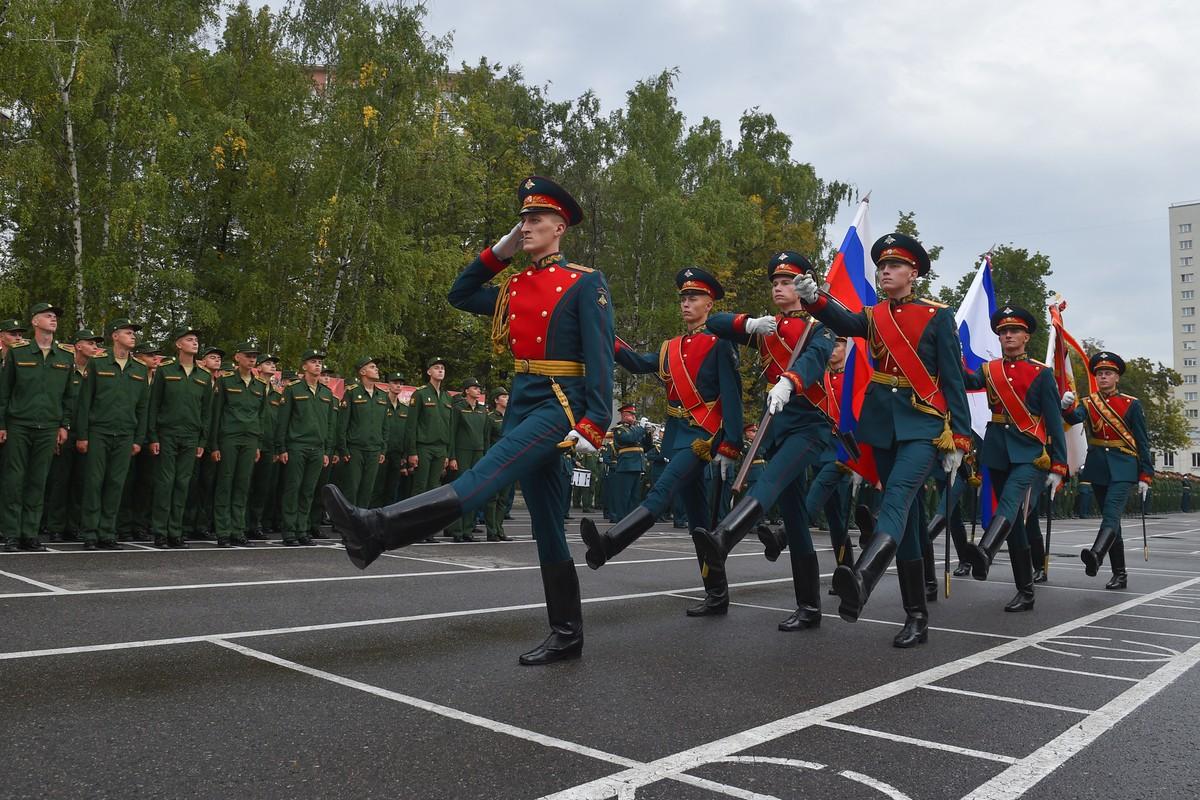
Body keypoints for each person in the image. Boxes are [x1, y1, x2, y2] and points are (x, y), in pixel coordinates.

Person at [325, 175, 614, 665]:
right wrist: (495, 254)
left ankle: (378, 530)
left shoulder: (585, 282)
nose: (526, 227)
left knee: (482, 479)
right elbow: (460, 294)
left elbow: (601, 356)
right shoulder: (517, 283)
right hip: (524, 401)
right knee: (546, 524)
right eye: (522, 219)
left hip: (559, 406)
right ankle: (567, 634)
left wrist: (594, 423)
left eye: (536, 219)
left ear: (560, 227)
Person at [793, 233, 972, 647]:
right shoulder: (874, 315)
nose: (884, 271)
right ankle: (916, 615)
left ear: (913, 273)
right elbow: (844, 321)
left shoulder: (937, 316)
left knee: (894, 500)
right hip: (882, 424)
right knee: (906, 520)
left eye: (894, 266)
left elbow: (953, 379)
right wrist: (815, 298)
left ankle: (862, 577)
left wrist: (960, 437)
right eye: (882, 266)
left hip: (923, 425)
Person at [581, 266, 774, 616]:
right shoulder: (671, 347)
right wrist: (601, 334)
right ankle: (716, 595)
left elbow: (732, 396)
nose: (687, 303)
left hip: (702, 439)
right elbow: (638, 363)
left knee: (660, 493)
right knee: (700, 524)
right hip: (678, 437)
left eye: (694, 298)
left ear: (709, 303)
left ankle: (608, 546)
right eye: (684, 298)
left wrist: (730, 445)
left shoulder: (720, 343)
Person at [694, 252, 837, 630]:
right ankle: (809, 608)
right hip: (776, 425)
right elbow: (717, 323)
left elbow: (815, 359)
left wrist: (790, 380)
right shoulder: (769, 326)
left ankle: (724, 537)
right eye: (774, 282)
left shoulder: (819, 326)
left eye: (786, 282)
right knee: (794, 519)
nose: (778, 287)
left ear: (803, 285)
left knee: (771, 479)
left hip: (809, 423)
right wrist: (751, 324)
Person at [957, 306, 1068, 612]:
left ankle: (986, 552)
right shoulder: (990, 370)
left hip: (1029, 453)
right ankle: (1026, 591)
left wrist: (1060, 462)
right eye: (1003, 332)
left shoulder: (1041, 374)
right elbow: (966, 381)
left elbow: (1054, 420)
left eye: (1014, 331)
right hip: (997, 449)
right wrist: (950, 348)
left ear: (1026, 336)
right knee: (1015, 525)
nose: (1008, 336)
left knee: (1008, 504)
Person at [1061, 351, 1153, 589]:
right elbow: (1073, 419)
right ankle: (1119, 574)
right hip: (1099, 466)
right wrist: (1067, 407)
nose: (1103, 377)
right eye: (1100, 373)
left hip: (1124, 466)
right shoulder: (1090, 403)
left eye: (1108, 373)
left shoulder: (1131, 404)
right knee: (1112, 523)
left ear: (1117, 377)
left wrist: (1146, 473)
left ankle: (1096, 555)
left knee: (1112, 515)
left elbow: (1142, 441)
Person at [0, 302, 73, 551]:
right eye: (48, 315)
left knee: (38, 480)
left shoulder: (65, 356)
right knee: (14, 479)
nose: (53, 319)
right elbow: (4, 392)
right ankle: (11, 532)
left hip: (49, 426)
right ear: (34, 321)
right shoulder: (18, 353)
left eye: (55, 316)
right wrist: (2, 423)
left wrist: (64, 425)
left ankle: (30, 533)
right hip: (19, 423)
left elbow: (68, 396)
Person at [75, 318, 152, 550]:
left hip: (125, 434)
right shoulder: (98, 363)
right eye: (128, 332)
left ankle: (108, 532)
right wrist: (82, 435)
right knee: (94, 482)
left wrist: (139, 439)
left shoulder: (139, 368)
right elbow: (85, 401)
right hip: (99, 431)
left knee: (116, 484)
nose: (133, 336)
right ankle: (90, 532)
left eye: (134, 333)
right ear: (115, 336)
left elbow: (142, 407)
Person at [147, 326, 213, 548]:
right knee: (165, 483)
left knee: (183, 484)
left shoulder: (203, 376)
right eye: (189, 339)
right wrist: (153, 436)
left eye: (196, 340)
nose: (194, 343)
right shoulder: (166, 371)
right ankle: (160, 531)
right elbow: (154, 405)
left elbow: (206, 412)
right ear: (178, 344)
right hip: (167, 433)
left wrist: (202, 441)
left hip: (191, 436)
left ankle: (176, 531)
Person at [42, 328, 104, 542]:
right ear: (78, 345)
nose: (95, 347)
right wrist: (59, 428)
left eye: (96, 344)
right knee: (61, 479)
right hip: (66, 431)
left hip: (88, 433)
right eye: (91, 343)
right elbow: (59, 399)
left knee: (81, 481)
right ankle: (55, 525)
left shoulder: (97, 371)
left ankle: (73, 525)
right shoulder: (67, 368)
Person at [275, 350, 337, 546]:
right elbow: (282, 421)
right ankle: (290, 531)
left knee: (308, 491)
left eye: (320, 362)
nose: (318, 365)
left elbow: (329, 425)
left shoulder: (327, 393)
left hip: (317, 448)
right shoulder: (293, 389)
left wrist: (327, 451)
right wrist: (282, 448)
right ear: (304, 367)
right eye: (313, 362)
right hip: (296, 446)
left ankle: (303, 529)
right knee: (293, 489)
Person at [210, 342, 268, 547]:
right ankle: (223, 531)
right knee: (226, 483)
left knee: (243, 484)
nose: (252, 359)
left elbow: (261, 416)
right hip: (229, 436)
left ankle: (238, 530)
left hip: (250, 438)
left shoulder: (260, 384)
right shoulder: (225, 381)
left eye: (254, 356)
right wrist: (214, 444)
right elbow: (216, 413)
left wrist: (258, 443)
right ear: (237, 357)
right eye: (248, 355)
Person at [404, 356, 454, 542]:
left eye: (442, 368)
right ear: (429, 372)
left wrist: (448, 453)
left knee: (434, 490)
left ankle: (428, 530)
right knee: (420, 489)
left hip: (441, 448)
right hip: (423, 447)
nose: (440, 370)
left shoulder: (448, 397)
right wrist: (412, 451)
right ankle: (413, 528)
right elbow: (411, 425)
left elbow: (450, 426)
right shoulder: (421, 394)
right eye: (436, 367)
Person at [337, 357, 390, 510]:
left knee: (367, 490)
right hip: (355, 449)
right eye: (373, 367)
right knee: (351, 489)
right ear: (362, 372)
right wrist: (343, 449)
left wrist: (383, 449)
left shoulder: (382, 395)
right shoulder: (352, 393)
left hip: (374, 449)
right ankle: (348, 526)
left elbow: (385, 426)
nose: (377, 369)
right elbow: (343, 424)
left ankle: (362, 524)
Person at [447, 377, 489, 541]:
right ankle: (456, 530)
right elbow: (452, 433)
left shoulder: (482, 410)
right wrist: (452, 456)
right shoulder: (458, 409)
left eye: (479, 388)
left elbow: (485, 436)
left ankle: (467, 529)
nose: (478, 390)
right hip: (462, 452)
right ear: (466, 390)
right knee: (460, 491)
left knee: (473, 491)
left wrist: (486, 455)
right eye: (474, 388)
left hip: (478, 452)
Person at [371, 372, 411, 508]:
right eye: (395, 383)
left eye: (400, 383)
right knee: (377, 488)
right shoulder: (381, 404)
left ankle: (387, 519)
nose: (398, 386)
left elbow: (407, 433)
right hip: (382, 452)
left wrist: (405, 455)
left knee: (392, 489)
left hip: (397, 454)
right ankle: (374, 516)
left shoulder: (405, 409)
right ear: (388, 384)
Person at [482, 387, 514, 541]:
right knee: (492, 498)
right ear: (496, 400)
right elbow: (486, 440)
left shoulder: (511, 418)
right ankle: (491, 530)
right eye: (504, 396)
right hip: (495, 461)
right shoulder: (490, 418)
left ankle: (500, 529)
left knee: (503, 498)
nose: (507, 399)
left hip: (509, 461)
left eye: (508, 396)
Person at [608, 404, 646, 522]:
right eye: (631, 415)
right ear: (624, 416)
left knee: (635, 497)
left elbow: (647, 446)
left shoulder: (635, 429)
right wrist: (641, 428)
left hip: (637, 465)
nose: (634, 417)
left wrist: (647, 433)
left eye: (634, 415)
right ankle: (621, 519)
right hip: (626, 465)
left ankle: (632, 520)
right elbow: (629, 439)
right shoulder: (619, 430)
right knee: (624, 496)